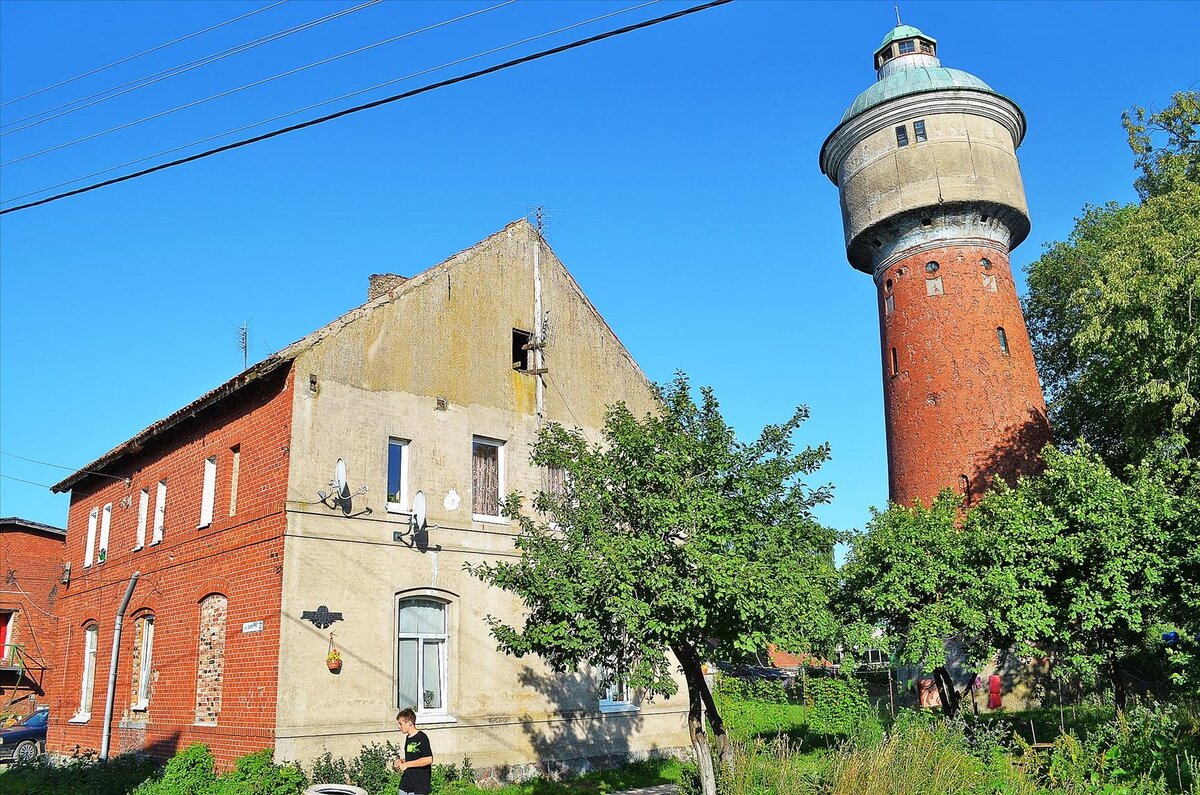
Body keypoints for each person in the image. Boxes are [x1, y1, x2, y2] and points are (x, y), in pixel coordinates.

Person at [393, 708, 433, 795]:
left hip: (419, 787)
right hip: (405, 786)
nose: (399, 727)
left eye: (401, 724)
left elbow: (428, 759)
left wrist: (407, 764)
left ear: (409, 723)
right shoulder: (408, 738)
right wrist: (401, 761)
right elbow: (412, 757)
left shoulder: (422, 737)